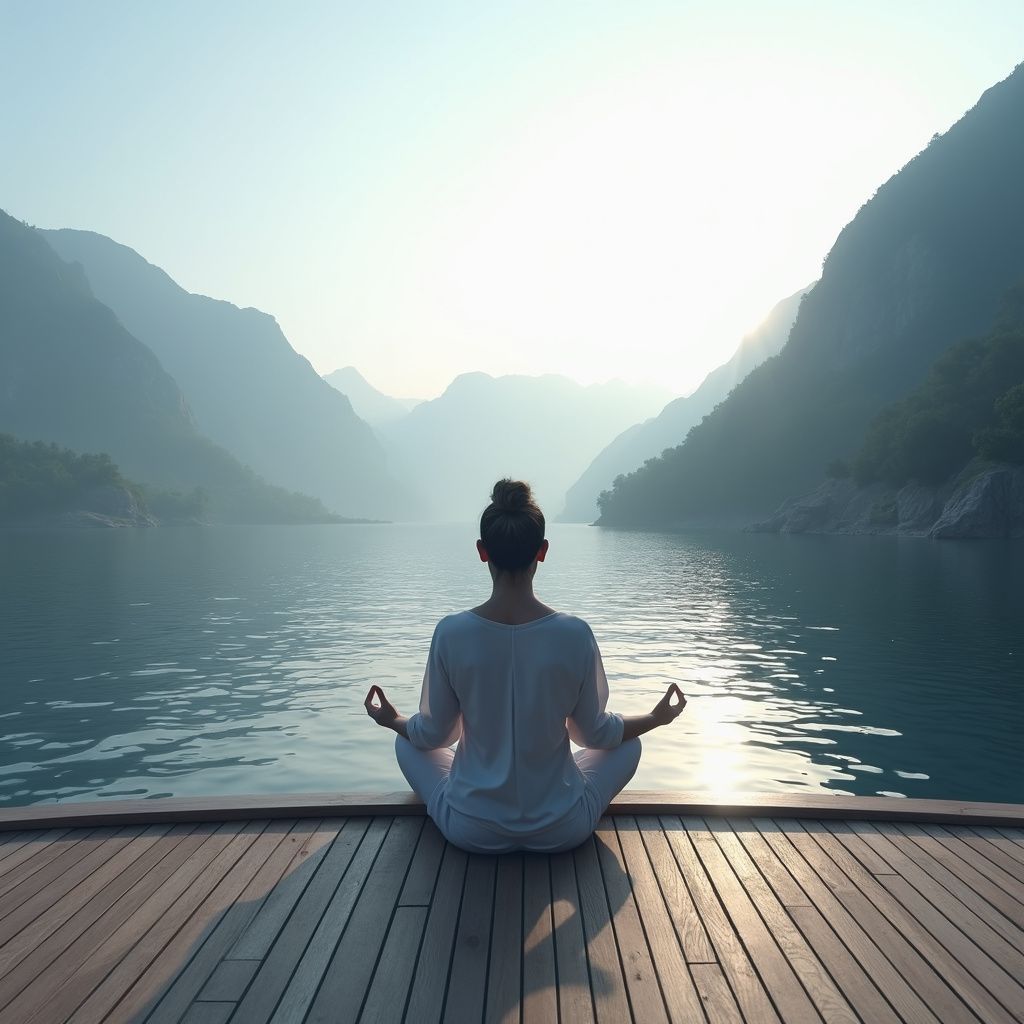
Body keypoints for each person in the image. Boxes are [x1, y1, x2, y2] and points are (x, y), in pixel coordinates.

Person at [364, 478, 686, 854]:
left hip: (470, 829)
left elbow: (437, 736)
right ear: (543, 551)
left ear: (482, 551)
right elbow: (593, 736)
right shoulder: (575, 634)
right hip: (562, 829)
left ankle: (472, 792)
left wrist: (391, 719)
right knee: (629, 744)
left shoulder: (452, 633)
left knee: (407, 742)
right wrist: (656, 718)